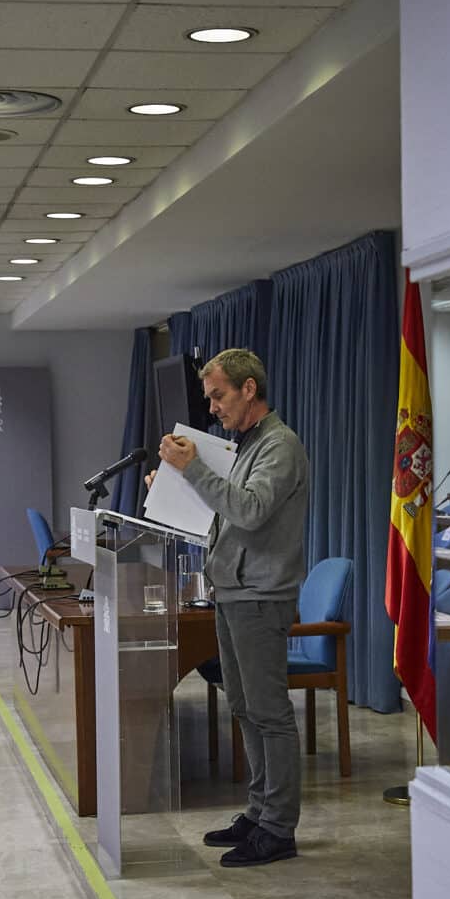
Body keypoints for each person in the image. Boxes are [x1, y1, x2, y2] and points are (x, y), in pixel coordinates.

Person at [155, 348, 312, 868]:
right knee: (244, 708)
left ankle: (278, 827)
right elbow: (223, 509)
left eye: (218, 396)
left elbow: (248, 510)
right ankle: (259, 809)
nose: (213, 407)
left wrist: (193, 468)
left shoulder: (279, 446)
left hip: (261, 595)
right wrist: (177, 485)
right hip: (233, 590)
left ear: (249, 389)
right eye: (209, 398)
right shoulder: (246, 446)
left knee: (270, 713)